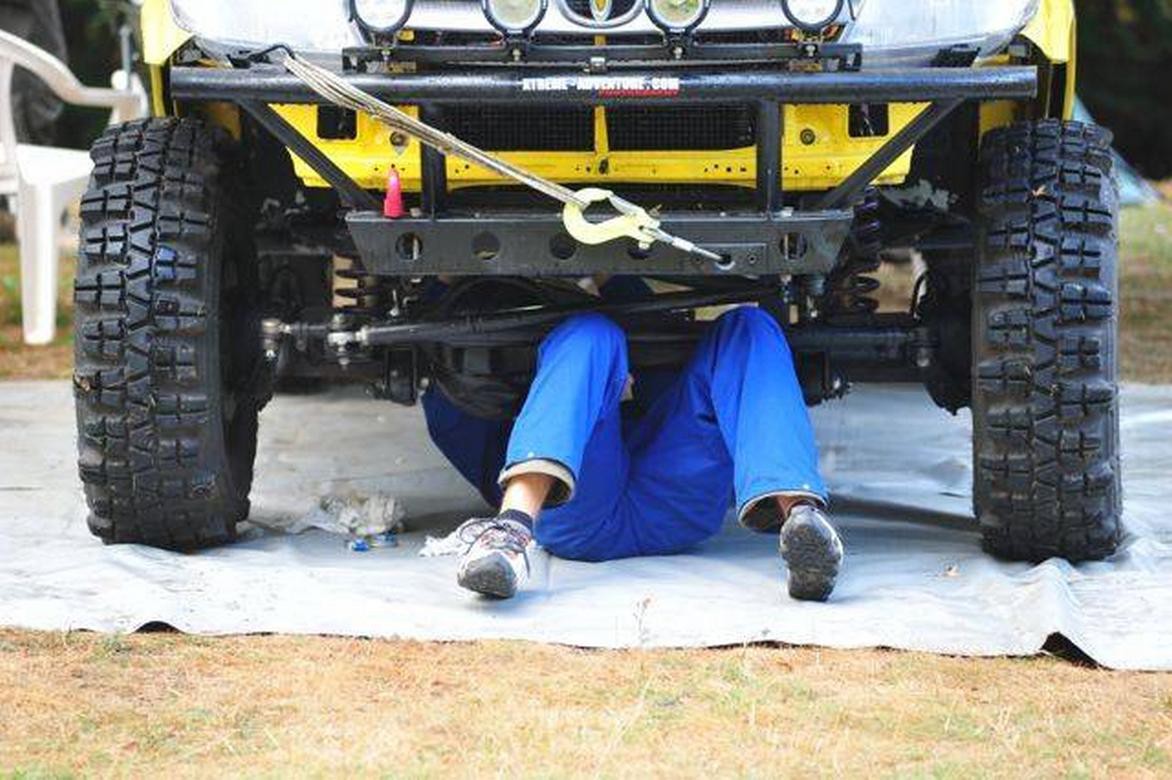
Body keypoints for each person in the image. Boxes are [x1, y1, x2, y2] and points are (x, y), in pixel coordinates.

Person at [423, 277, 843, 602]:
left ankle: (803, 524)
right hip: (652, 514)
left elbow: (450, 417)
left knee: (744, 326)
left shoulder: (546, 382)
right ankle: (799, 509)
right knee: (599, 330)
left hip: (593, 512)